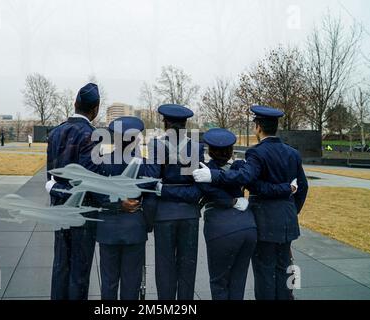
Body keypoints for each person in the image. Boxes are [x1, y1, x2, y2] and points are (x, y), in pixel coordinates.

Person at [193, 105, 308, 300]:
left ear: (258, 127)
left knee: (264, 271)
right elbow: (303, 187)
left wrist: (212, 175)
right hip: (287, 219)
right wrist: (290, 209)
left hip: (264, 219)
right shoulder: (293, 153)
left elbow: (250, 181)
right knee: (284, 270)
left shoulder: (256, 153)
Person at [45, 83, 139, 300]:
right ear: (95, 109)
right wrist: (118, 203)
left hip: (59, 209)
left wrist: (56, 191)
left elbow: (50, 178)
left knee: (60, 266)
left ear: (75, 104)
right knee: (79, 271)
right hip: (83, 212)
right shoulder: (91, 135)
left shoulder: (56, 132)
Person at [146, 104, 203, 300]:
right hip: (189, 215)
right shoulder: (196, 147)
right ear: (185, 124)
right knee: (187, 267)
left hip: (164, 215)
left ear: (165, 123)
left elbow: (154, 182)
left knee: (164, 268)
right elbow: (196, 191)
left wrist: (164, 189)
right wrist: (183, 192)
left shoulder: (156, 145)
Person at [96, 116, 150, 300]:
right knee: (131, 283)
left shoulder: (102, 162)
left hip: (108, 228)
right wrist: (147, 225)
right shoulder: (144, 165)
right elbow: (150, 199)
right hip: (134, 228)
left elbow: (97, 194)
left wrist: (117, 203)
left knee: (109, 283)